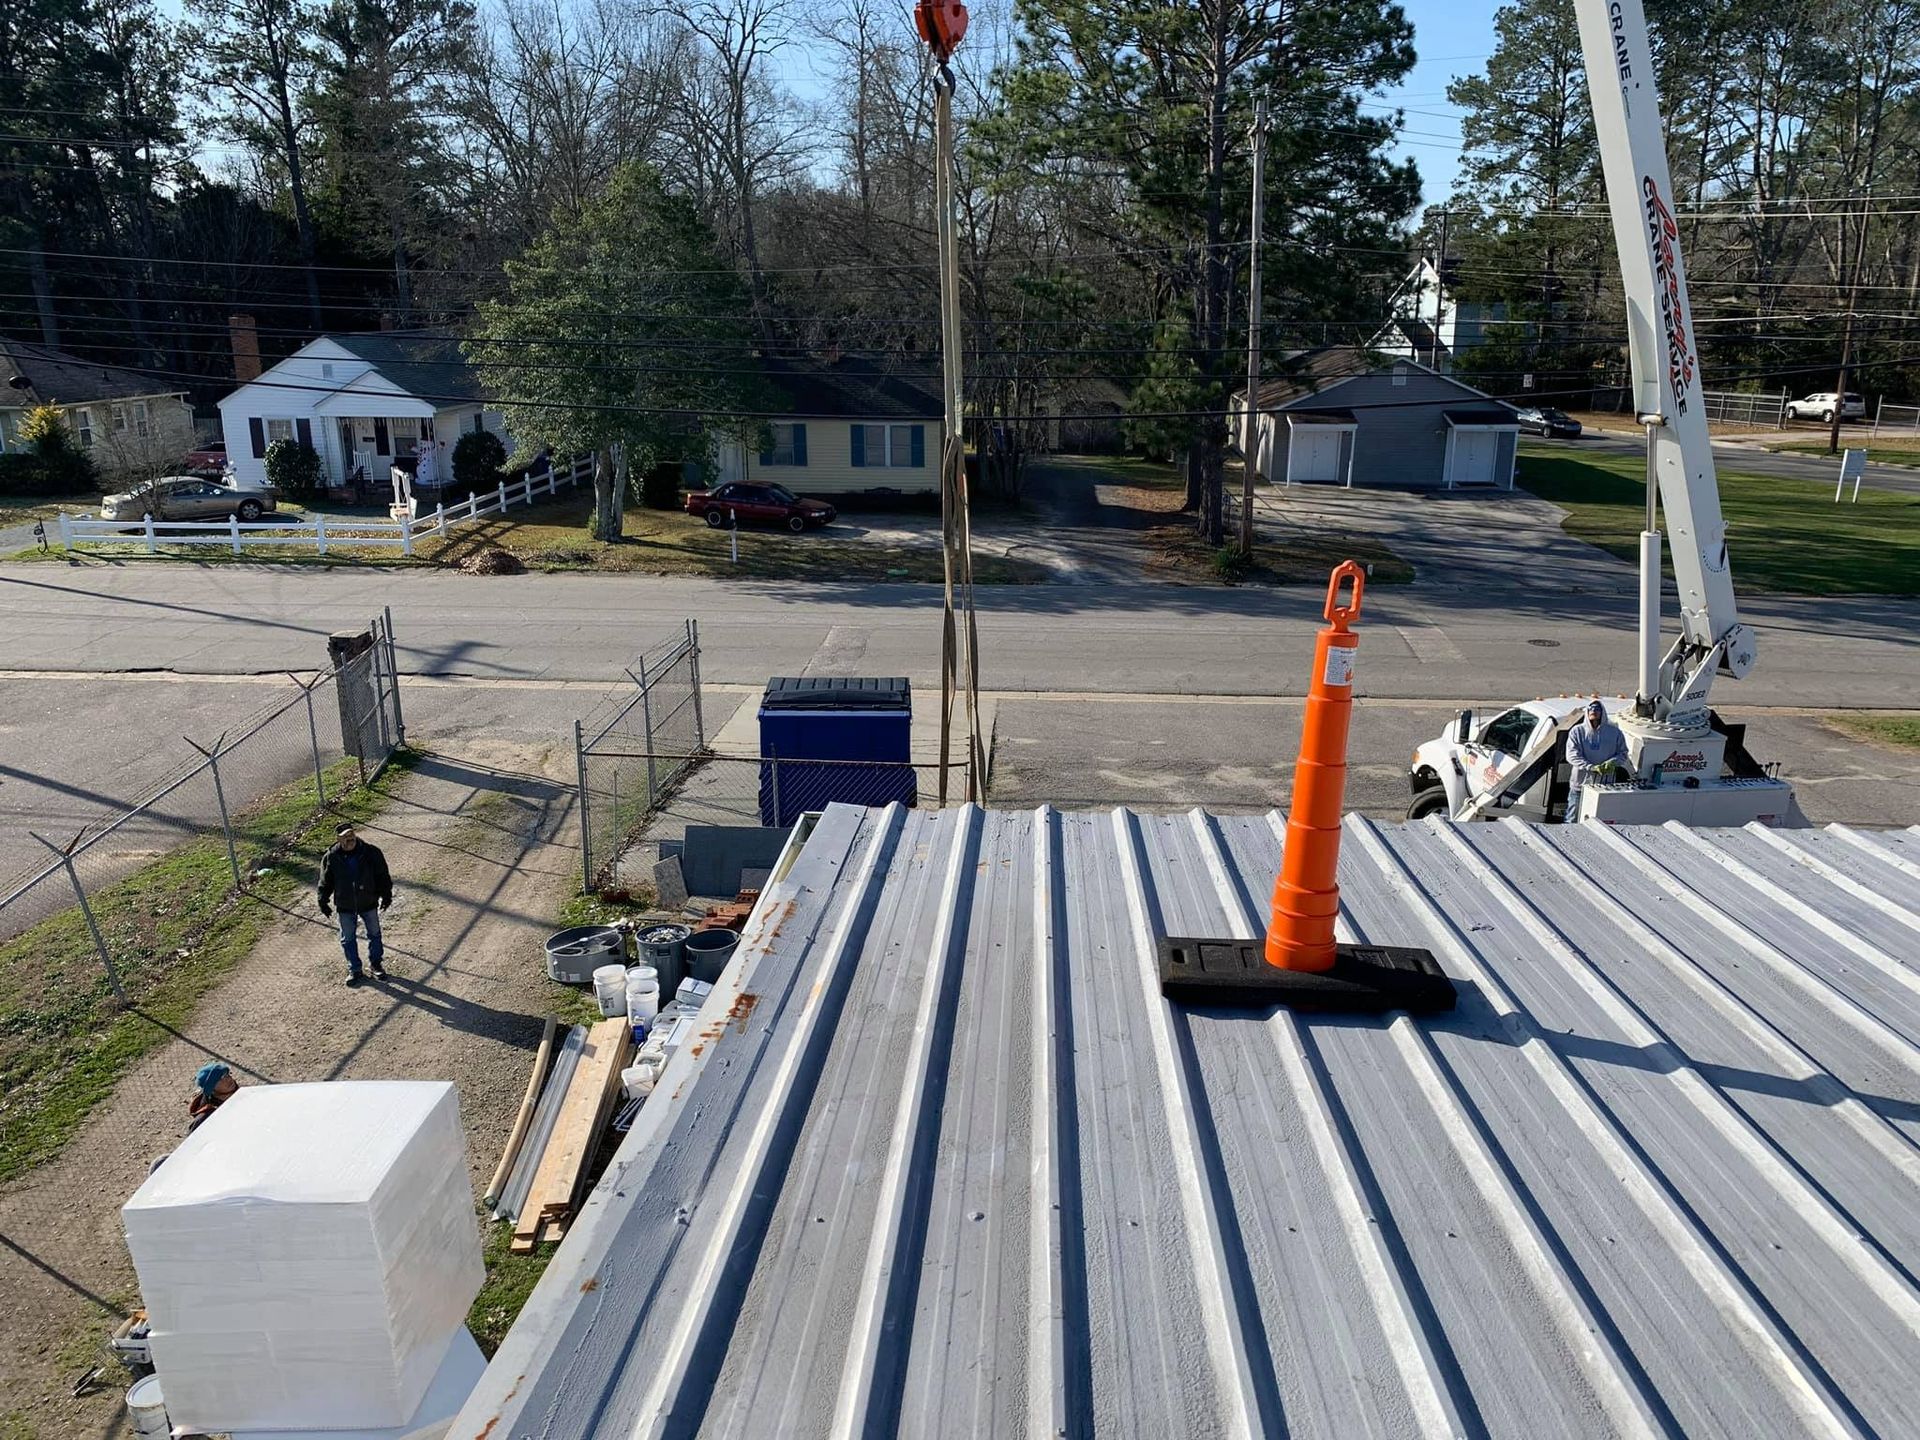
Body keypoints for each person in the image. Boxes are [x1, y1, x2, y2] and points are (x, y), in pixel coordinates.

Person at [318, 822, 393, 985]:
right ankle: (354, 969)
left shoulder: (371, 853)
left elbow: (382, 875)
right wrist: (322, 900)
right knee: (348, 938)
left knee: (374, 934)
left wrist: (386, 895)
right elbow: (325, 881)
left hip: (368, 901)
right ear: (338, 839)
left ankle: (376, 964)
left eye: (351, 835)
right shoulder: (331, 857)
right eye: (345, 837)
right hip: (345, 905)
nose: (349, 839)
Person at [1565, 698, 1632, 823]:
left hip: (1604, 787)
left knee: (1601, 820)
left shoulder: (1615, 733)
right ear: (1587, 712)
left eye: (1597, 709)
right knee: (1572, 818)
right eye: (1591, 709)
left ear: (1602, 712)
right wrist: (1591, 767)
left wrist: (1613, 762)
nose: (1593, 711)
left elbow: (1623, 754)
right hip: (1580, 785)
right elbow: (1572, 755)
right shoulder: (1577, 731)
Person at [187, 1061, 239, 1133]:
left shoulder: (245, 1094)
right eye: (220, 1079)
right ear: (211, 1090)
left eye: (227, 1075)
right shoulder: (206, 1118)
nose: (228, 1079)